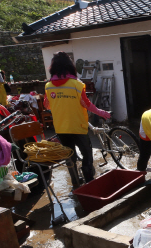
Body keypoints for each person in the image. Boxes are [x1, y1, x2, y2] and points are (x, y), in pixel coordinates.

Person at [44, 51, 111, 186]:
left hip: (61, 128)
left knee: (70, 156)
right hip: (78, 126)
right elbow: (86, 104)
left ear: (53, 67)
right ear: (70, 66)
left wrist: (60, 101)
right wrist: (101, 112)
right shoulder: (76, 84)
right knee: (87, 154)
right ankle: (89, 181)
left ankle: (75, 183)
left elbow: (47, 106)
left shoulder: (48, 86)